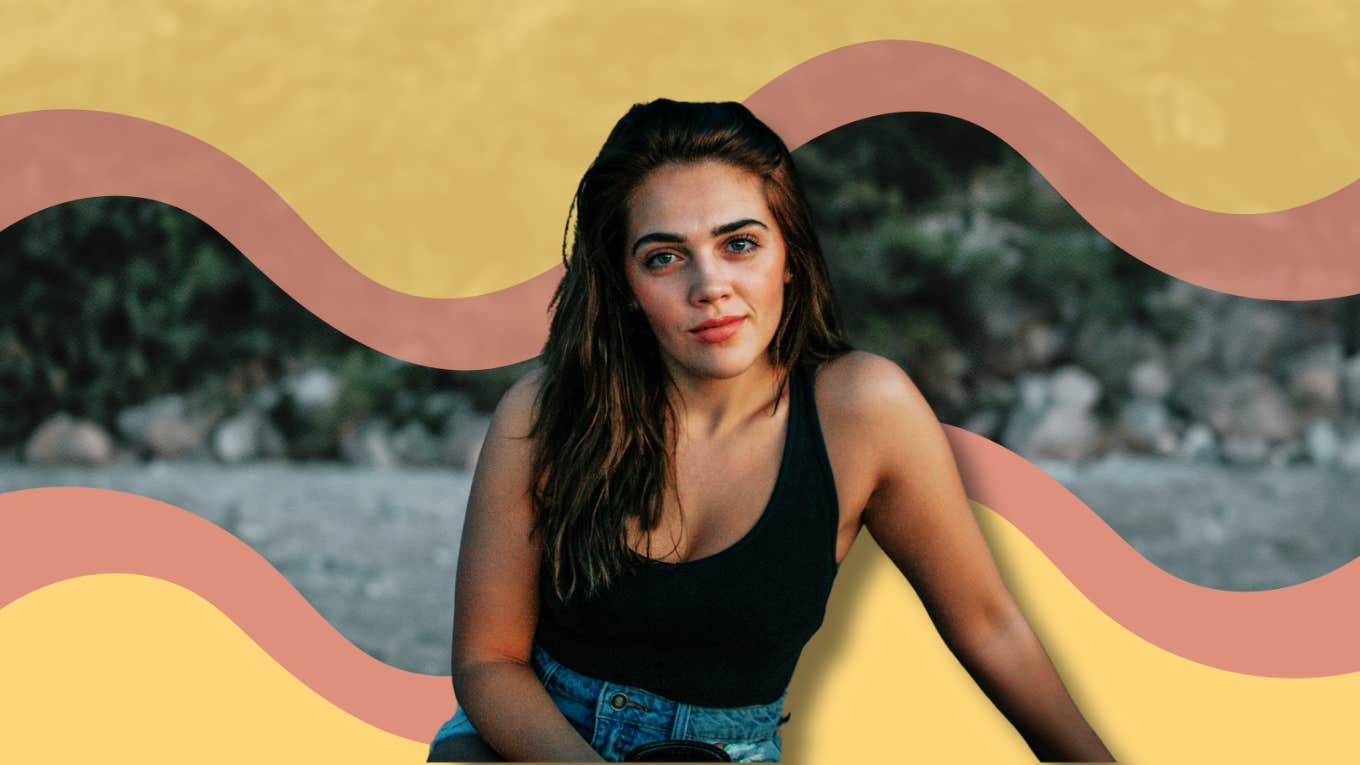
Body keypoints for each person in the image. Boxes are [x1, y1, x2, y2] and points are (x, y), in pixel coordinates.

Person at [428, 99, 1113, 763]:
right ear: (625, 285)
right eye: (664, 256)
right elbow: (490, 661)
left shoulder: (865, 412)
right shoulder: (541, 414)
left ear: (790, 254)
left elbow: (989, 626)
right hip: (530, 737)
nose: (711, 285)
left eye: (740, 243)